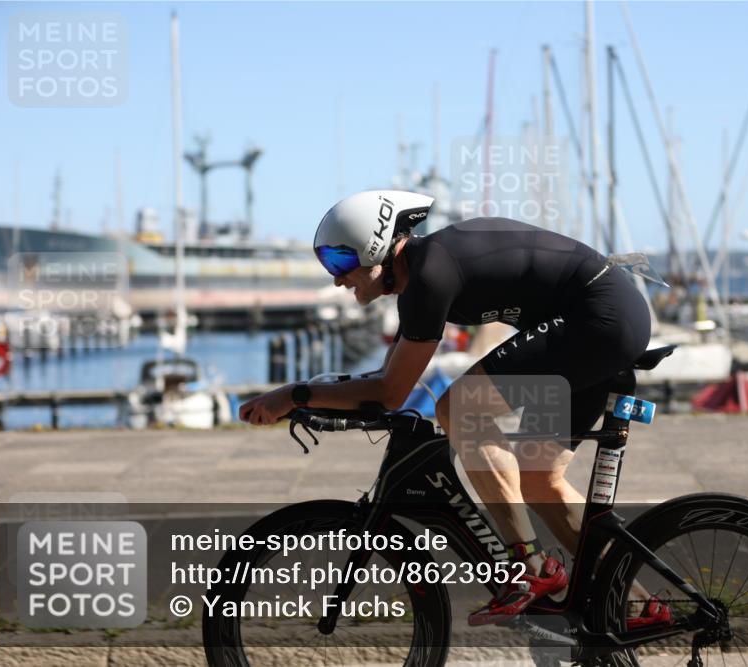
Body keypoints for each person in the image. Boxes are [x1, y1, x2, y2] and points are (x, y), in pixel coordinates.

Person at [239, 190, 669, 626]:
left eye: (338, 262)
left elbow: (391, 392)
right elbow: (386, 382)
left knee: (461, 407)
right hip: (600, 321)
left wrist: (294, 395)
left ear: (374, 247)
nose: (336, 279)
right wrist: (311, 397)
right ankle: (635, 601)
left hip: (600, 319)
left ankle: (529, 567)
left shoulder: (431, 274)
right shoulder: (424, 274)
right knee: (540, 479)